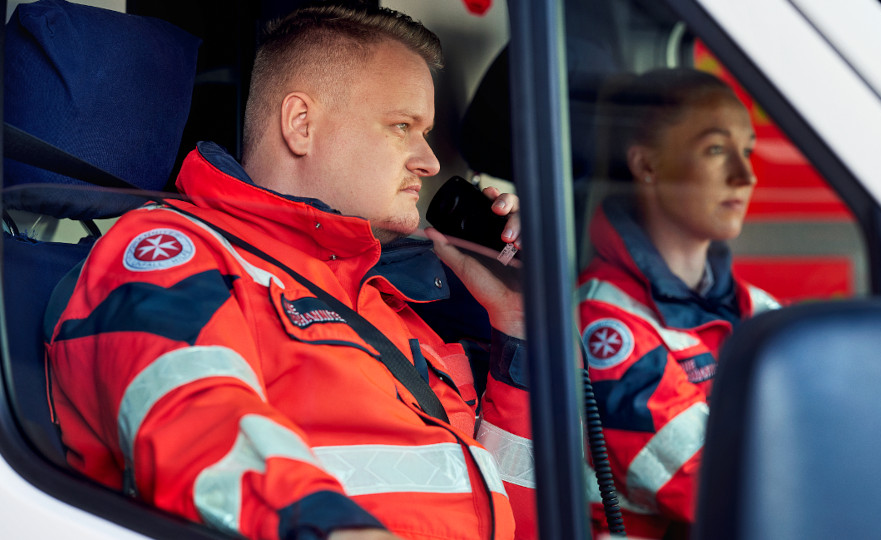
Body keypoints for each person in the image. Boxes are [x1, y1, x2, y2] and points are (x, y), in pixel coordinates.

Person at [45, 5, 535, 540]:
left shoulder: (388, 304)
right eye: (402, 127)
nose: (430, 162)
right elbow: (196, 429)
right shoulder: (177, 252)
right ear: (300, 124)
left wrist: (517, 325)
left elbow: (519, 510)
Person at [576, 68, 780, 538]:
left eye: (746, 150)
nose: (745, 175)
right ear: (647, 165)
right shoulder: (604, 322)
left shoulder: (753, 306)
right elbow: (721, 493)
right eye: (715, 149)